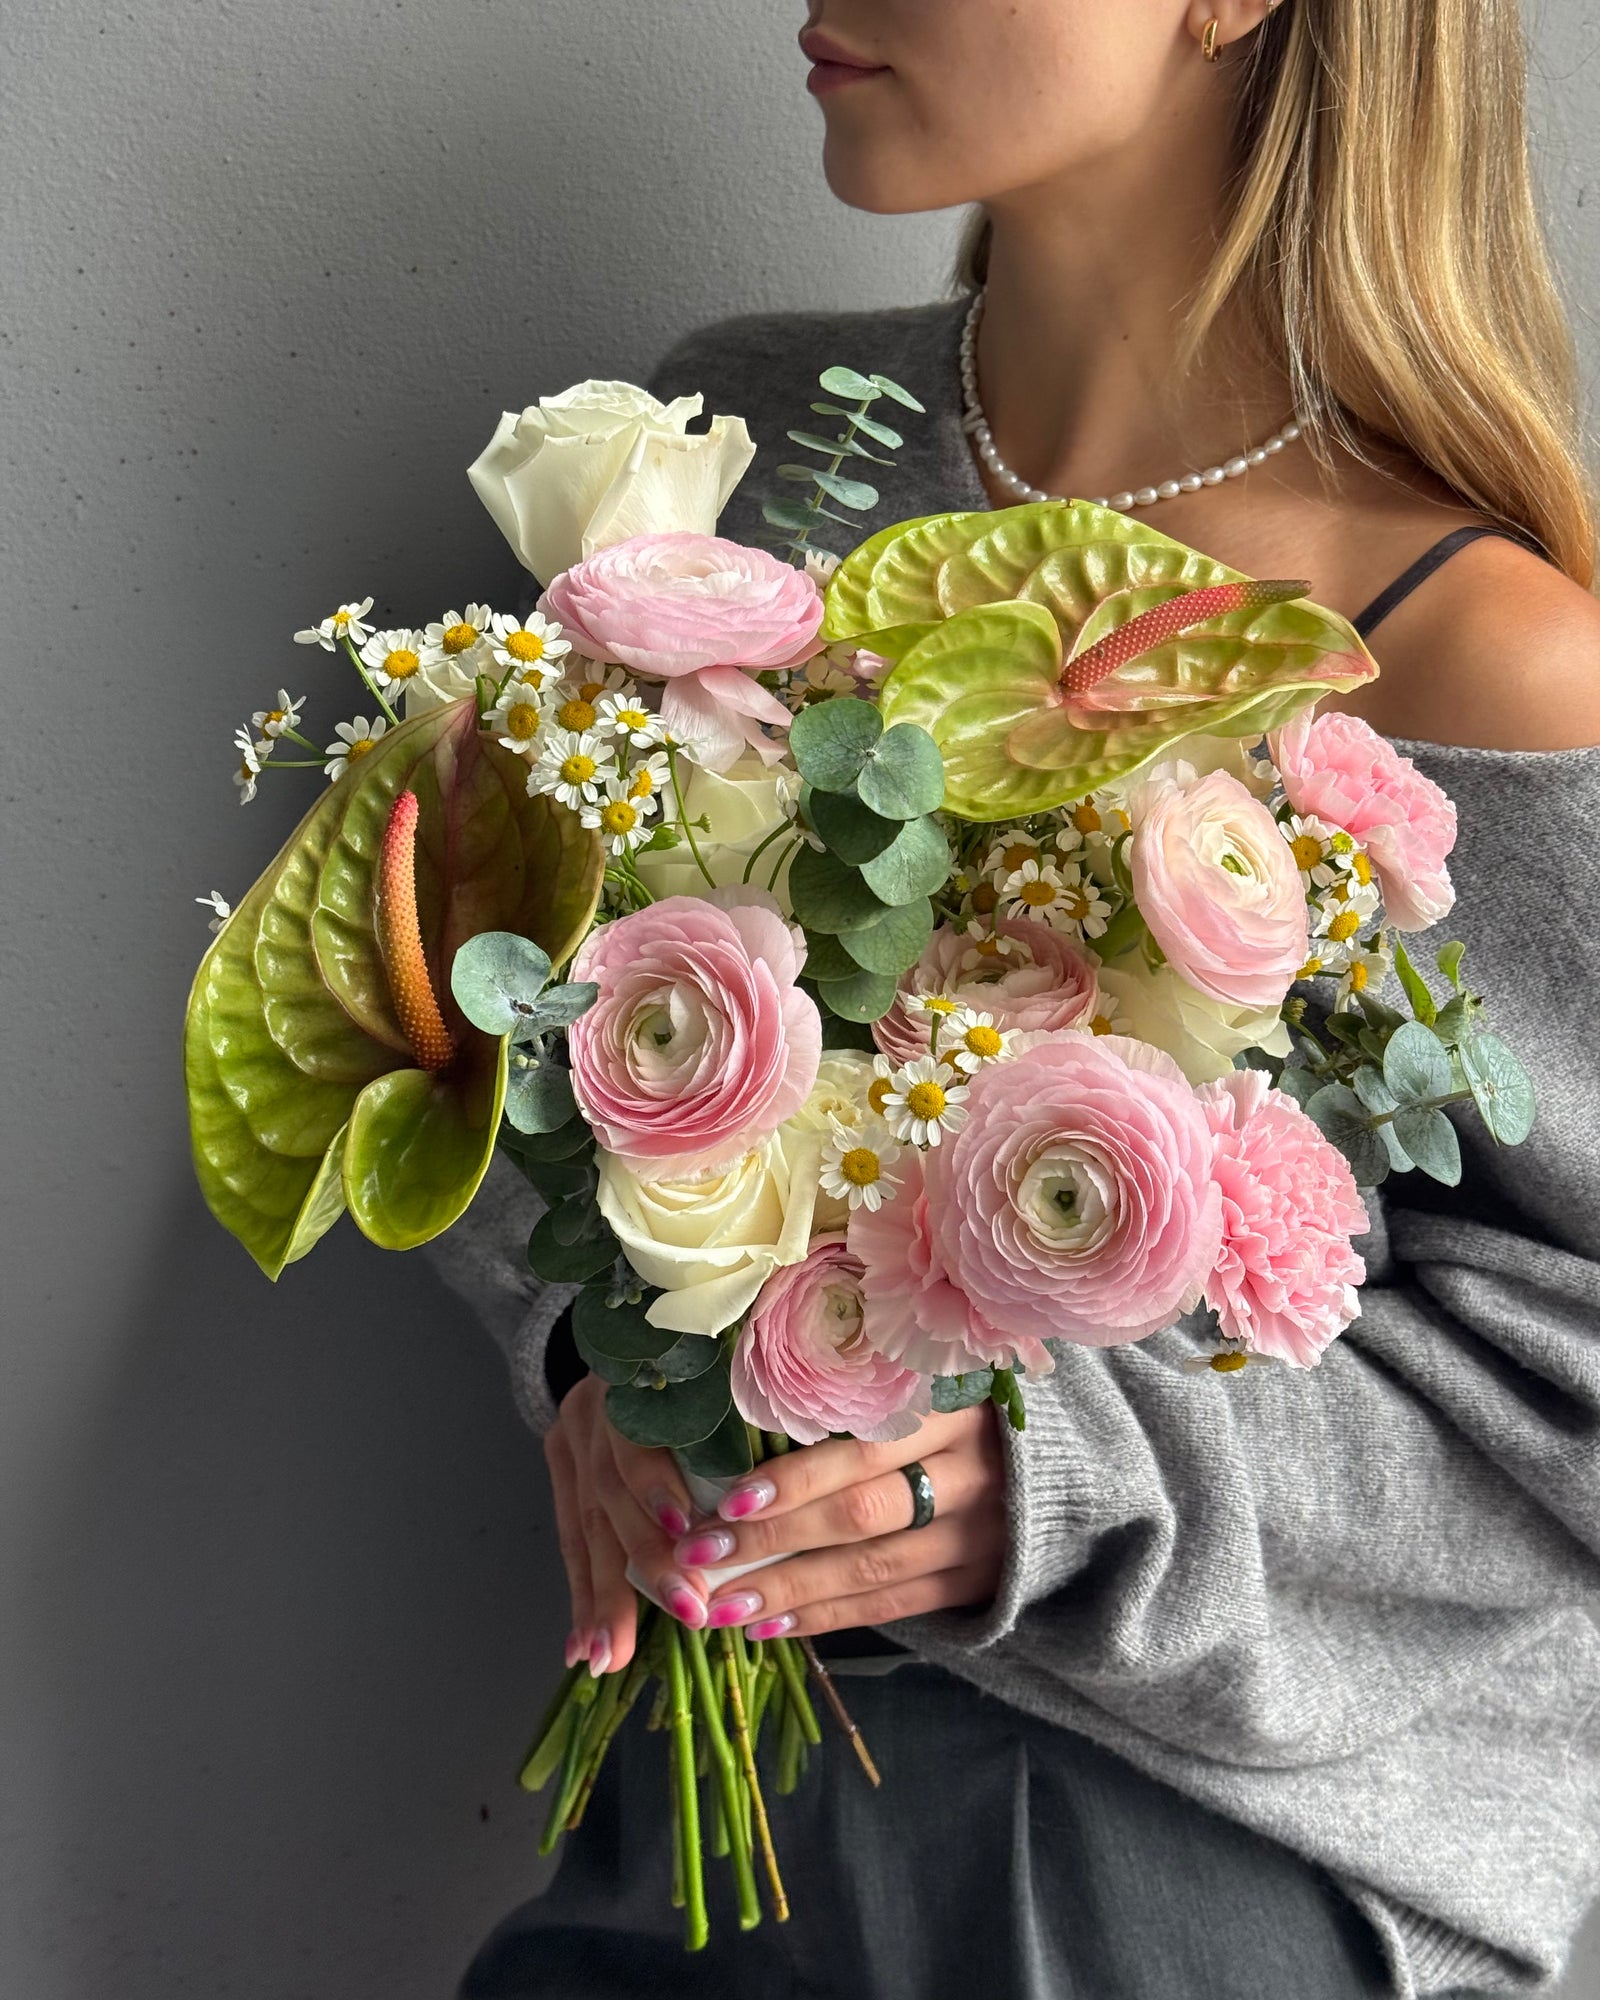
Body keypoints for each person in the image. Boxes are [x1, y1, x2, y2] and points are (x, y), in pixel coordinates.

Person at [428, 4, 1600, 1995]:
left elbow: (1565, 1386)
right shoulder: (743, 458)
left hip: (1176, 1866)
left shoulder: (1482, 658)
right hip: (697, 1789)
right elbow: (487, 997)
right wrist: (595, 1350)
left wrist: (1052, 1483)